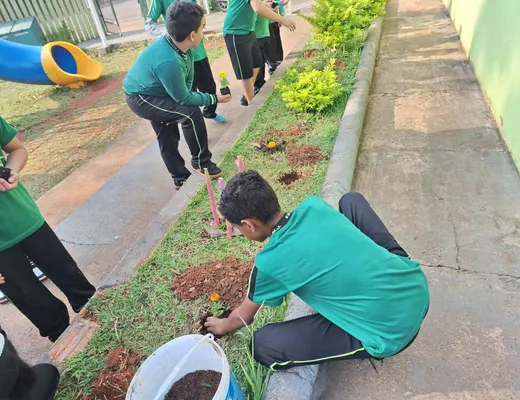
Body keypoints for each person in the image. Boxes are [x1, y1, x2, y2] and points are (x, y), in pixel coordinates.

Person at [205, 171, 430, 369]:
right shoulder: (314, 205)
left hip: (390, 333)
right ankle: (392, 269)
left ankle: (370, 336)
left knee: (262, 346)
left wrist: (221, 325)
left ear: (250, 224)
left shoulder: (269, 262)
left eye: (238, 228)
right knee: (351, 200)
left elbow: (242, 318)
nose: (239, 232)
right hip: (415, 287)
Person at [0, 113, 96, 342]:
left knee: (73, 279)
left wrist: (12, 171)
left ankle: (105, 319)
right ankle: (64, 341)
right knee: (34, 302)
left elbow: (17, 150)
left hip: (26, 219)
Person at [124, 1, 230, 189]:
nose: (203, 32)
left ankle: (180, 177)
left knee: (170, 125)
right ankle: (201, 162)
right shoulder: (170, 60)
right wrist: (212, 98)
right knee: (188, 113)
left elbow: (186, 86)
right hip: (140, 97)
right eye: (203, 27)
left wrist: (190, 96)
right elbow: (184, 99)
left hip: (157, 88)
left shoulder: (181, 47)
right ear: (192, 35)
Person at [144, 0, 227, 124]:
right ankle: (193, 124)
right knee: (188, 94)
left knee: (209, 87)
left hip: (199, 53)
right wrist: (168, 34)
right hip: (180, 56)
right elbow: (149, 23)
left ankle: (209, 112)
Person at [223, 0, 296, 106]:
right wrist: (282, 19)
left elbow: (256, 5)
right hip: (235, 32)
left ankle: (248, 93)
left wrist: (266, 6)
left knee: (257, 62)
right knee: (246, 72)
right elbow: (257, 8)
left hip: (249, 31)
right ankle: (251, 104)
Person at [266, 0, 289, 74]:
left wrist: (280, 15)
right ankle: (272, 67)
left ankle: (278, 63)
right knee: (270, 45)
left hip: (273, 21)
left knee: (276, 43)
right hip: (264, 24)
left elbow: (277, 3)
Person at [253, 7, 272, 91]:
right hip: (255, 36)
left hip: (265, 33)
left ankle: (260, 83)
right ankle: (256, 87)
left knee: (262, 61)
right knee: (257, 64)